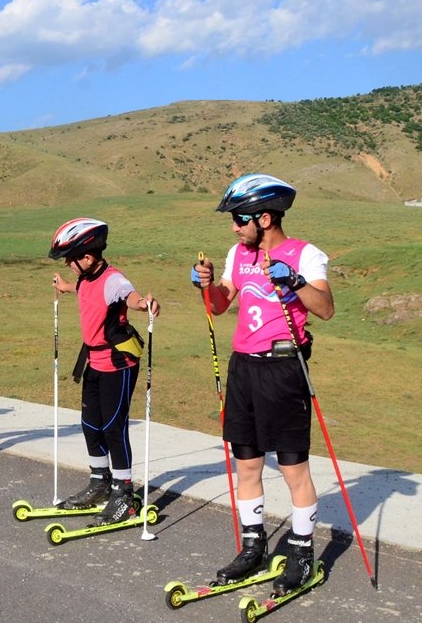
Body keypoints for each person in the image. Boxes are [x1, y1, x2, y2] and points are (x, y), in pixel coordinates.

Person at [191, 173, 333, 596]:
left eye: (239, 219)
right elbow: (220, 304)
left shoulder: (306, 255)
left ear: (265, 218)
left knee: (293, 468)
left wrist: (294, 280)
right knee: (247, 464)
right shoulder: (238, 252)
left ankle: (302, 552)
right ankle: (254, 547)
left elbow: (325, 309)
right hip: (244, 369)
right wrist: (208, 284)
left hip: (284, 369)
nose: (234, 227)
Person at [49, 218, 160, 525]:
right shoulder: (86, 278)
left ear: (88, 257)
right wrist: (65, 287)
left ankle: (124, 493)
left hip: (118, 363)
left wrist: (144, 303)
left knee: (113, 427)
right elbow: (84, 289)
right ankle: (100, 482)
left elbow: (129, 296)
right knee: (90, 425)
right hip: (93, 363)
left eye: (71, 259)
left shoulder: (113, 280)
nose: (69, 264)